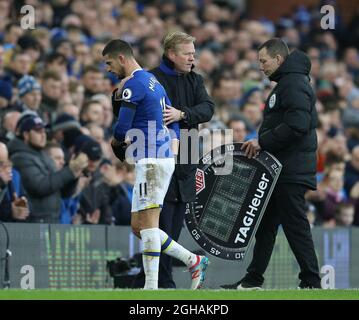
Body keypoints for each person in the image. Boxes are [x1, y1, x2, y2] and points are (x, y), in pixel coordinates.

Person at [102, 39, 209, 290]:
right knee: (140, 227)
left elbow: (121, 128)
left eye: (108, 63)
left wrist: (117, 144)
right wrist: (172, 143)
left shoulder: (136, 85)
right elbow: (168, 121)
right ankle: (193, 260)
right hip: (159, 158)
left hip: (151, 160)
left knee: (149, 227)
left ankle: (151, 288)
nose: (107, 68)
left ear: (121, 59)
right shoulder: (155, 83)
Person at [221, 38, 321, 290]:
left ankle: (311, 281)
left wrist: (262, 142)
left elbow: (297, 126)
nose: (261, 67)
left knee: (295, 225)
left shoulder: (294, 84)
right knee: (265, 226)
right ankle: (253, 280)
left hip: (290, 170)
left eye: (264, 61)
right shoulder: (288, 83)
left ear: (278, 59)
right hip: (280, 170)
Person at [133, 31, 215, 289]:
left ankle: (152, 282)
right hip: (160, 152)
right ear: (171, 54)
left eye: (194, 53)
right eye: (188, 53)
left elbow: (207, 109)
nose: (193, 58)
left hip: (188, 153)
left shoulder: (195, 80)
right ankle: (161, 283)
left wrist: (182, 114)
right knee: (158, 222)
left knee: (174, 223)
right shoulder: (152, 79)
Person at [7, 114, 89, 223]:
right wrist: (69, 170)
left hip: (50, 221)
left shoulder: (42, 155)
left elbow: (62, 192)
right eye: (38, 131)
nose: (43, 135)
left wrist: (74, 174)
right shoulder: (20, 157)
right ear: (26, 134)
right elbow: (40, 186)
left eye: (44, 131)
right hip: (34, 223)